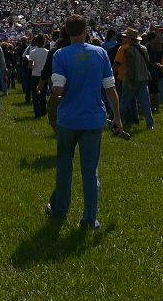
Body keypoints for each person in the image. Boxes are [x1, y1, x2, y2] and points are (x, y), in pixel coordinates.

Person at [45, 15, 122, 230]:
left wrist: (53, 91)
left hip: (68, 119)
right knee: (90, 171)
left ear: (66, 32)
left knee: (64, 167)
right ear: (86, 30)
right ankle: (89, 219)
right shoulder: (100, 53)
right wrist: (117, 116)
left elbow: (58, 89)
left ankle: (59, 211)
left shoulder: (61, 54)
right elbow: (110, 88)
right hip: (93, 118)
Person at [113, 27, 154, 130]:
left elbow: (118, 65)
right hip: (143, 78)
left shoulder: (125, 49)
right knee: (146, 104)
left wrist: (111, 77)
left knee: (124, 103)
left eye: (125, 37)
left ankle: (117, 123)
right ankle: (150, 124)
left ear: (129, 38)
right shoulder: (144, 48)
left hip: (130, 79)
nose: (123, 38)